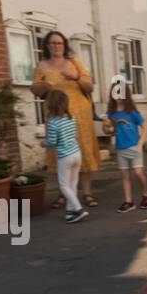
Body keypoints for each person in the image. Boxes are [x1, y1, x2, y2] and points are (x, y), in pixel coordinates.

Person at [30, 31, 101, 208]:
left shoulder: (74, 63)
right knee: (60, 152)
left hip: (80, 114)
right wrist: (44, 86)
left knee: (82, 151)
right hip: (56, 113)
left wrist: (76, 77)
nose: (56, 46)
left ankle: (87, 193)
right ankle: (64, 194)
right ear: (46, 46)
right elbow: (35, 90)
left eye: (59, 43)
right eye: (52, 43)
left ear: (65, 45)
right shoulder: (41, 66)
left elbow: (90, 86)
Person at [102, 78, 147, 213]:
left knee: (138, 173)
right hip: (120, 148)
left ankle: (146, 194)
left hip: (134, 147)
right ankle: (128, 201)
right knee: (125, 176)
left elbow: (145, 127)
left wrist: (141, 143)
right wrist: (107, 126)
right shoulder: (111, 113)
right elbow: (108, 131)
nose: (118, 96)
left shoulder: (132, 112)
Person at [41, 89, 86, 223]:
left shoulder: (52, 122)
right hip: (76, 154)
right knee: (73, 184)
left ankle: (78, 209)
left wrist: (43, 143)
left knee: (64, 186)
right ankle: (69, 212)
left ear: (50, 104)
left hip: (65, 157)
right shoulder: (71, 118)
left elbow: (52, 141)